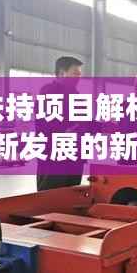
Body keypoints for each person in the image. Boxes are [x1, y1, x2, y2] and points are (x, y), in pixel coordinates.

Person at [36, 56, 84, 191]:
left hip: (74, 156)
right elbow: (49, 123)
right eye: (75, 73)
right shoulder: (49, 92)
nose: (79, 77)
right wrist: (68, 130)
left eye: (80, 74)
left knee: (72, 196)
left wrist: (104, 126)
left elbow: (84, 122)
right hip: (54, 157)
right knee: (51, 196)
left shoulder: (76, 95)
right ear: (62, 73)